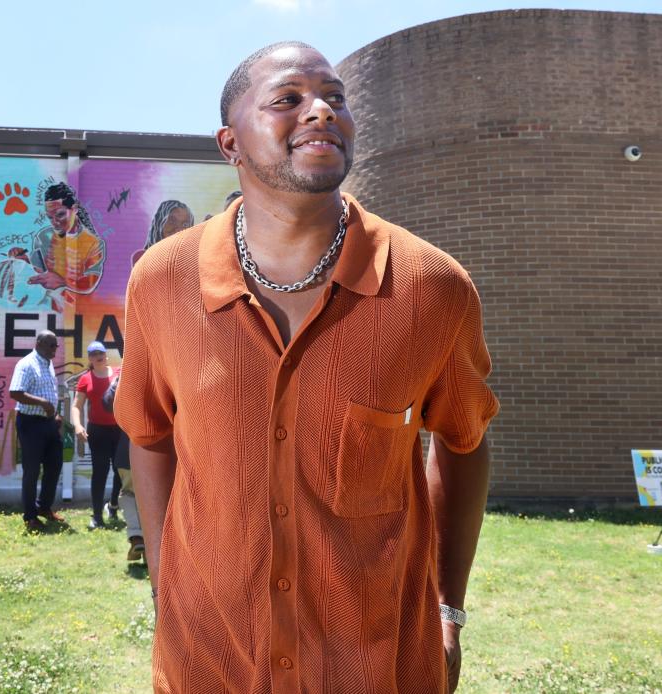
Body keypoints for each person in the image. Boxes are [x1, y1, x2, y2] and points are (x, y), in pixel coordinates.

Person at [115, 42, 499, 693]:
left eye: (334, 98)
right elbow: (149, 437)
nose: (321, 111)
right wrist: (165, 592)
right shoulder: (160, 282)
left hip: (378, 666)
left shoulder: (432, 287)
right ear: (230, 143)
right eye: (288, 99)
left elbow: (463, 443)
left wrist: (447, 608)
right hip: (208, 663)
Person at [10, 330, 66, 531]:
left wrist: (54, 413)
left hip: (49, 423)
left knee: (54, 465)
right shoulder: (26, 364)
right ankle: (30, 516)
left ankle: (44, 507)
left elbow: (49, 391)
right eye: (52, 345)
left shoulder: (47, 363)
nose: (55, 350)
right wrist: (42, 403)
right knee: (32, 471)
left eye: (56, 346)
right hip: (30, 424)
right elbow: (15, 392)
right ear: (40, 343)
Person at [70, 341, 122, 530]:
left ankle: (113, 504)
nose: (98, 356)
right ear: (90, 359)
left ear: (106, 355)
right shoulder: (86, 379)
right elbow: (76, 406)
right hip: (97, 431)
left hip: (119, 430)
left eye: (101, 352)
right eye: (93, 354)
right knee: (100, 472)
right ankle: (97, 516)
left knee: (121, 471)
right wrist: (77, 425)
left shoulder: (119, 374)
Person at [28, 182, 105, 298]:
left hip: (78, 307)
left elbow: (91, 283)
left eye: (60, 215)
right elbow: (36, 272)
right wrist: (22, 261)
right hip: (47, 304)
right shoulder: (43, 236)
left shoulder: (94, 243)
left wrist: (62, 282)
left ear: (74, 209)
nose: (54, 222)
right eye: (50, 217)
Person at [102, 374, 144, 561]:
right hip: (160, 449)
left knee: (129, 495)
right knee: (153, 497)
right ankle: (150, 548)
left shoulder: (129, 373)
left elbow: (107, 402)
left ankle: (137, 537)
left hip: (132, 448)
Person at [131, 200, 195, 266]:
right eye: (172, 222)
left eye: (185, 225)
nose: (178, 229)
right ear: (159, 224)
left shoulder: (192, 260)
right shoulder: (142, 258)